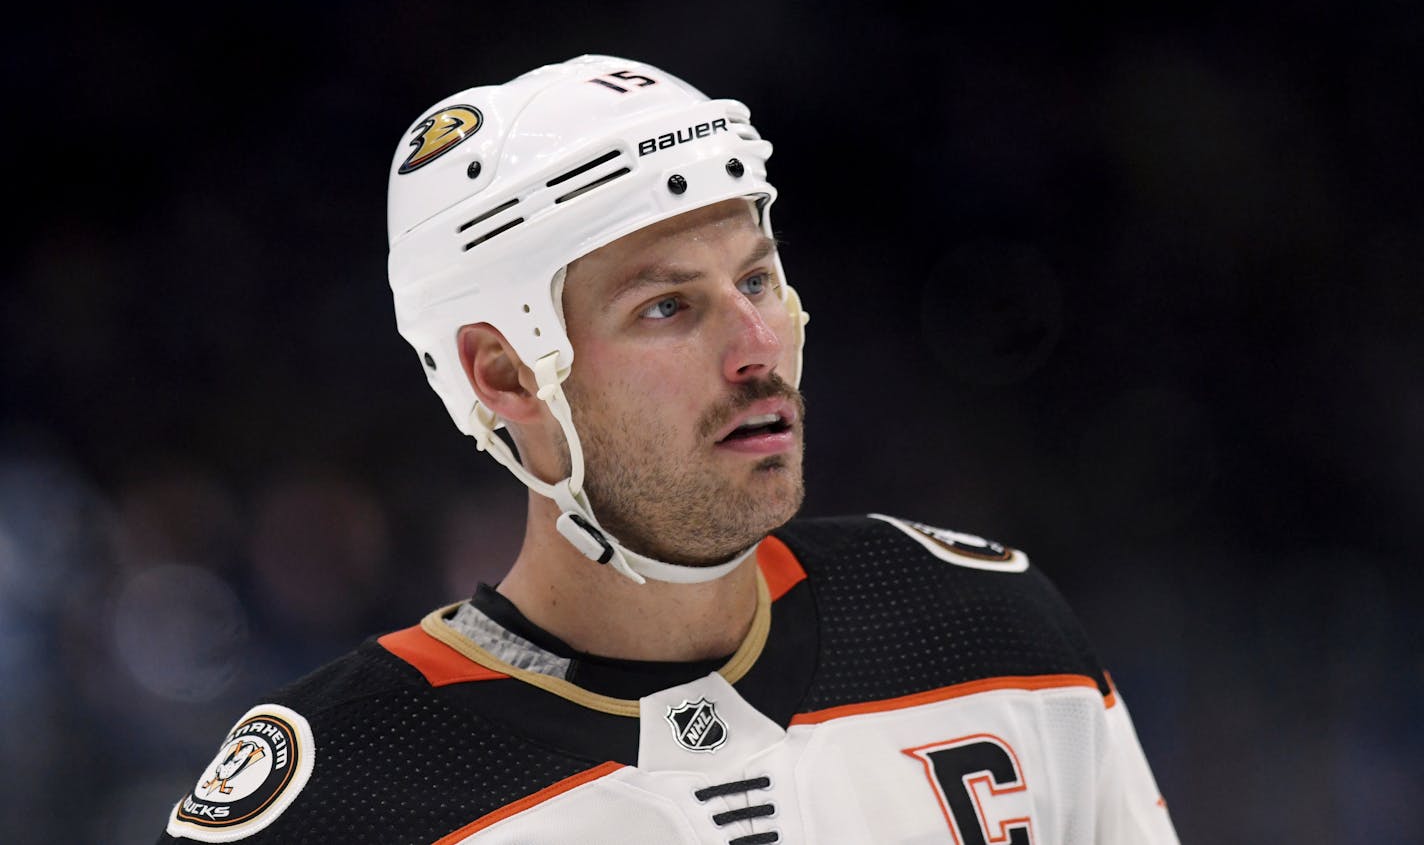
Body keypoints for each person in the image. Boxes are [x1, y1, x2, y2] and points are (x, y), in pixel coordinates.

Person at [159, 55, 1179, 844]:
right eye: (666, 306)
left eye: (754, 278)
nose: (755, 348)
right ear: (504, 374)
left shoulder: (987, 636)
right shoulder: (341, 799)